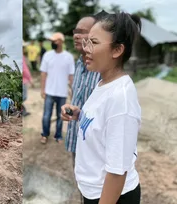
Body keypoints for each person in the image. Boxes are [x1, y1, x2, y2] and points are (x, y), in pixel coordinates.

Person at [61, 12, 142, 204]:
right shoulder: (103, 83)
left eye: (94, 43)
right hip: (94, 191)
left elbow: (117, 171)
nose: (86, 48)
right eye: (86, 41)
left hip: (111, 196)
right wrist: (79, 115)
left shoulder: (120, 98)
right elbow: (102, 123)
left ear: (117, 50)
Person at [40, 32, 75, 144]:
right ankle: (44, 134)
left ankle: (58, 136)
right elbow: (43, 74)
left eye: (54, 41)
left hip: (62, 92)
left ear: (60, 41)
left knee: (61, 116)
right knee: (46, 115)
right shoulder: (47, 55)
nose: (52, 43)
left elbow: (71, 76)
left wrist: (72, 91)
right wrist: (42, 89)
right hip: (49, 91)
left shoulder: (68, 57)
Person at [22, 43, 34, 116]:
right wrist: (30, 79)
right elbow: (24, 70)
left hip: (24, 79)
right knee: (24, 97)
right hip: (24, 80)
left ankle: (23, 111)